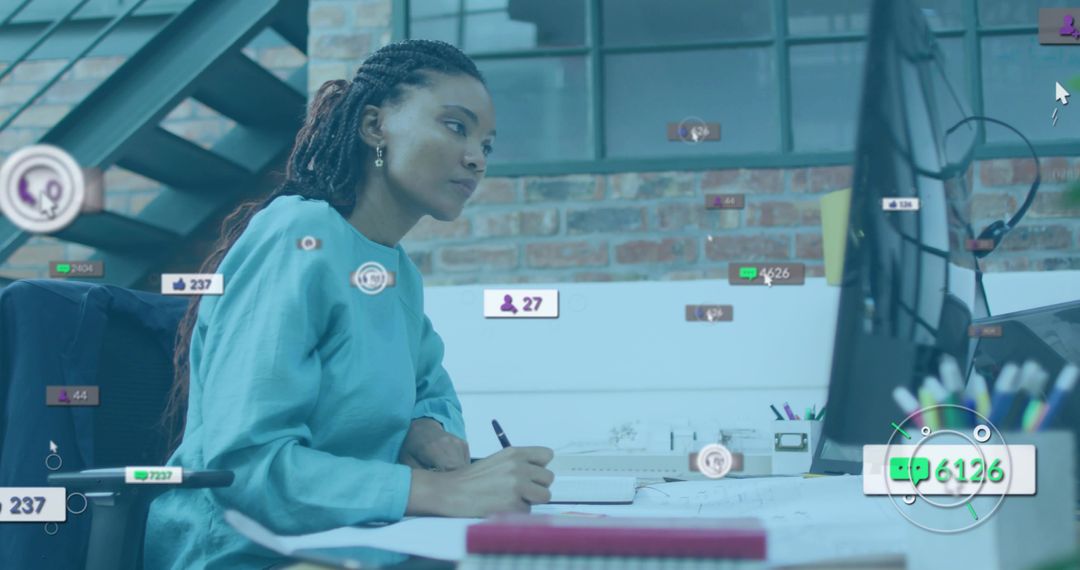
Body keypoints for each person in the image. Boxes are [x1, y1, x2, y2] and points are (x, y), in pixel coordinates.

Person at [144, 39, 554, 569]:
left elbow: (434, 391)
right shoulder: (299, 237)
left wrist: (428, 429)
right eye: (456, 126)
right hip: (244, 551)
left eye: (487, 145)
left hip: (357, 540)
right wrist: (437, 490)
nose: (476, 157)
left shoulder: (397, 271)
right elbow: (246, 467)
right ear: (373, 127)